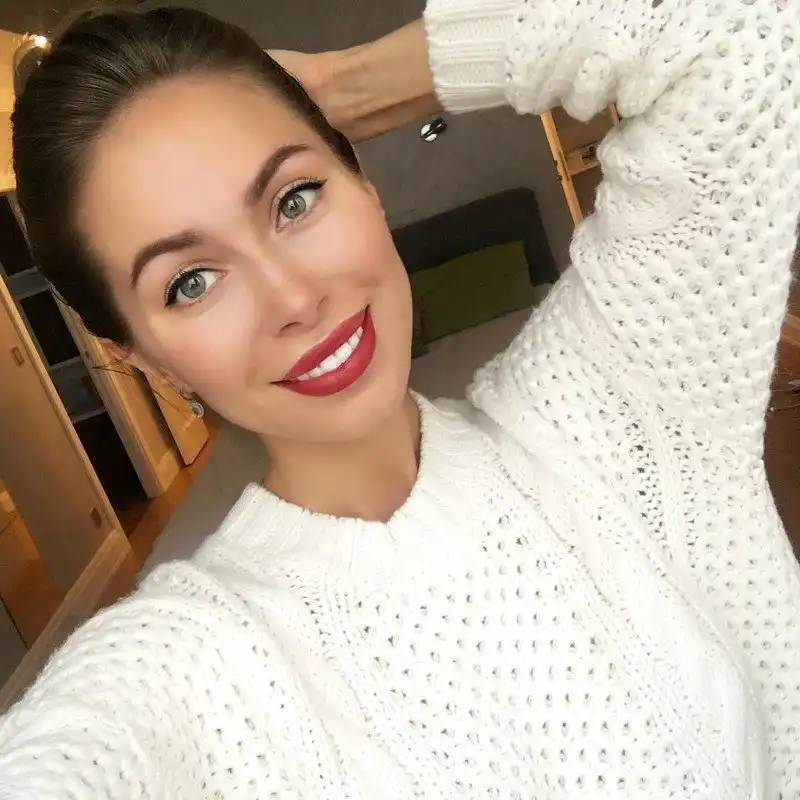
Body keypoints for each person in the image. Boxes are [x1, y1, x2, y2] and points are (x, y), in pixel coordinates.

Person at [1, 0, 798, 796]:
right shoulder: (198, 667)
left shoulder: (613, 395)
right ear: (142, 357)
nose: (294, 298)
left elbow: (750, 31)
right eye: (191, 282)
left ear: (362, 180)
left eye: (294, 199)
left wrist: (349, 86)